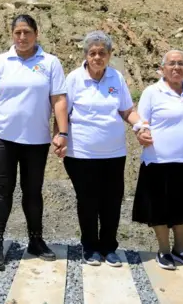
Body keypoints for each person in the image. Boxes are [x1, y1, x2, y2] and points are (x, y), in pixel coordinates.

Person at [0, 14, 68, 271]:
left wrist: (62, 133)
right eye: (17, 32)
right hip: (3, 137)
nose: (22, 37)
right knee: (2, 189)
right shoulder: (0, 62)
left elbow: (59, 100)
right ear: (12, 34)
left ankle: (36, 240)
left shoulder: (50, 63)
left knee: (33, 191)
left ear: (36, 34)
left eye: (27, 32)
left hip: (36, 140)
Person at [64, 31, 146, 267]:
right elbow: (62, 112)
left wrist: (139, 125)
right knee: (88, 201)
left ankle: (108, 246)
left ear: (109, 55)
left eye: (102, 53)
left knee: (112, 201)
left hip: (114, 153)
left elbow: (126, 110)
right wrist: (59, 137)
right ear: (86, 55)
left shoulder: (116, 78)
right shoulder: (74, 79)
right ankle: (89, 247)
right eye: (93, 53)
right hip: (81, 153)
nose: (97, 57)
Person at [132, 50, 183, 271]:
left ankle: (180, 250)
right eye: (171, 64)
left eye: (181, 63)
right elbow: (141, 123)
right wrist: (141, 133)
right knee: (160, 208)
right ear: (163, 68)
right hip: (158, 161)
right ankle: (163, 250)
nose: (176, 67)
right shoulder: (152, 92)